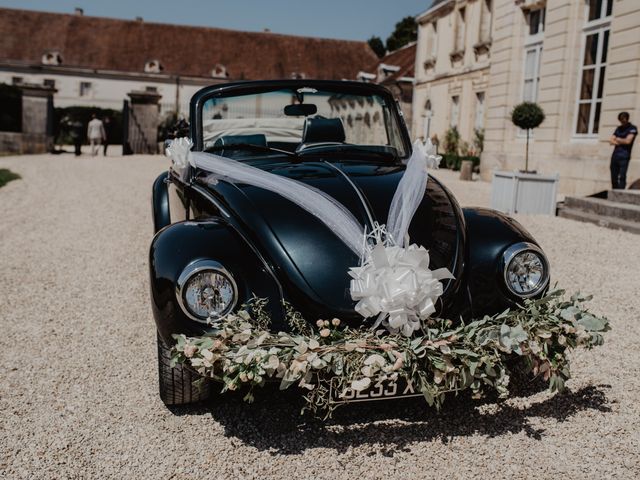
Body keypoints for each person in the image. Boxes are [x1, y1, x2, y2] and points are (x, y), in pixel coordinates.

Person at [609, 112, 637, 189]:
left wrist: (617, 139)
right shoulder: (618, 128)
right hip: (615, 155)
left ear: (627, 119)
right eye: (620, 120)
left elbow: (628, 141)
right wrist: (621, 141)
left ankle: (621, 192)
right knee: (613, 176)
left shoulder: (632, 128)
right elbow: (611, 141)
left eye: (623, 120)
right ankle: (614, 191)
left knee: (622, 176)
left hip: (624, 156)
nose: (622, 122)